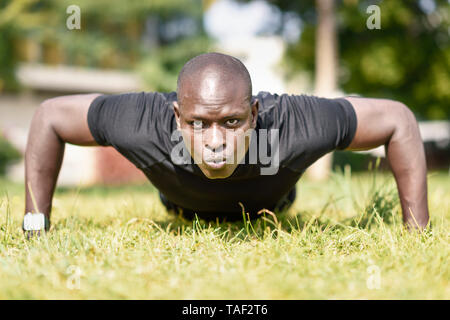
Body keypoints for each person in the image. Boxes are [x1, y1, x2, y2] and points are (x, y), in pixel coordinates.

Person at [23, 52, 429, 233]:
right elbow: (50, 117)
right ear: (177, 117)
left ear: (254, 113)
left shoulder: (295, 123)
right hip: (182, 207)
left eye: (232, 121)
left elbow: (398, 120)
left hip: (269, 207)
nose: (216, 141)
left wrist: (416, 233)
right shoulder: (143, 121)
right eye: (199, 124)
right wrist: (34, 227)